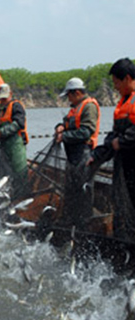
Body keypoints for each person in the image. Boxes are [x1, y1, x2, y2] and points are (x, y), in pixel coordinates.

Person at [88, 58, 135, 239]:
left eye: (116, 82)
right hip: (125, 166)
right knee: (124, 205)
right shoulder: (124, 102)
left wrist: (122, 141)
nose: (115, 87)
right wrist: (97, 155)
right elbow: (113, 136)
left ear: (127, 78)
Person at [55, 77, 100, 229]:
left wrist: (65, 136)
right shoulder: (75, 107)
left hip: (84, 155)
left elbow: (86, 132)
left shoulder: (89, 106)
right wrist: (60, 127)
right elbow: (67, 122)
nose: (68, 98)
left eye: (69, 95)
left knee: (84, 191)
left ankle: (84, 225)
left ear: (77, 93)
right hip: (72, 156)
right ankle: (71, 222)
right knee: (71, 191)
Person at [0, 84, 29, 198]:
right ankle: (1, 197)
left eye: (5, 98)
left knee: (20, 173)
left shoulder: (16, 106)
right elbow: (2, 122)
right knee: (1, 173)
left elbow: (19, 123)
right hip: (5, 146)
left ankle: (21, 197)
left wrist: (2, 132)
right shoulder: (3, 109)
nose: (3, 100)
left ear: (10, 94)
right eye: (1, 98)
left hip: (16, 146)